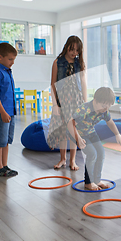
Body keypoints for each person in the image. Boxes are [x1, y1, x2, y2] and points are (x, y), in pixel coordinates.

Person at [70, 87, 121, 191]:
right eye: (103, 106)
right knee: (92, 153)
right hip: (77, 133)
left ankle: (97, 180)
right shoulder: (84, 110)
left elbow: (110, 122)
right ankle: (88, 182)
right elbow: (71, 124)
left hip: (90, 132)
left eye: (108, 106)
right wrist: (78, 138)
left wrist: (117, 134)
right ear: (95, 100)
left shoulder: (104, 111)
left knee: (101, 152)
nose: (105, 109)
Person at [47, 36, 87, 171]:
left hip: (76, 99)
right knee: (63, 130)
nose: (74, 52)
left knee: (73, 127)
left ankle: (73, 160)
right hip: (62, 100)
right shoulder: (57, 62)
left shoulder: (79, 63)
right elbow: (52, 84)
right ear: (66, 47)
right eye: (72, 49)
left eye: (77, 50)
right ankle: (63, 159)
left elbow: (83, 83)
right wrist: (55, 104)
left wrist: (85, 103)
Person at [0, 42, 18, 177]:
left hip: (9, 112)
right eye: (10, 59)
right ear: (0, 57)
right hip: (1, 113)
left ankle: (5, 166)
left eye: (13, 59)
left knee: (6, 141)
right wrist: (3, 112)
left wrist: (9, 112)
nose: (12, 62)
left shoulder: (7, 71)